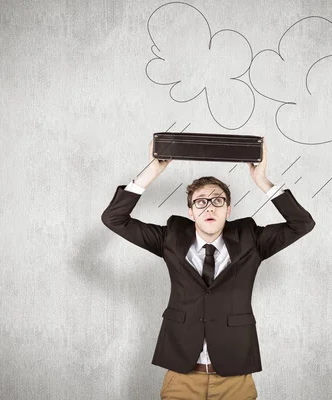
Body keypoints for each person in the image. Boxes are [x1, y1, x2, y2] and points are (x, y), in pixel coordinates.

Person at [101, 137, 315, 399]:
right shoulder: (171, 237)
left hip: (234, 376)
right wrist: (153, 170)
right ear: (190, 212)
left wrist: (263, 181)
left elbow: (301, 224)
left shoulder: (252, 239)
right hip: (182, 375)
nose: (209, 206)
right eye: (201, 201)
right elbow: (114, 218)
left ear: (228, 209)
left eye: (218, 200)